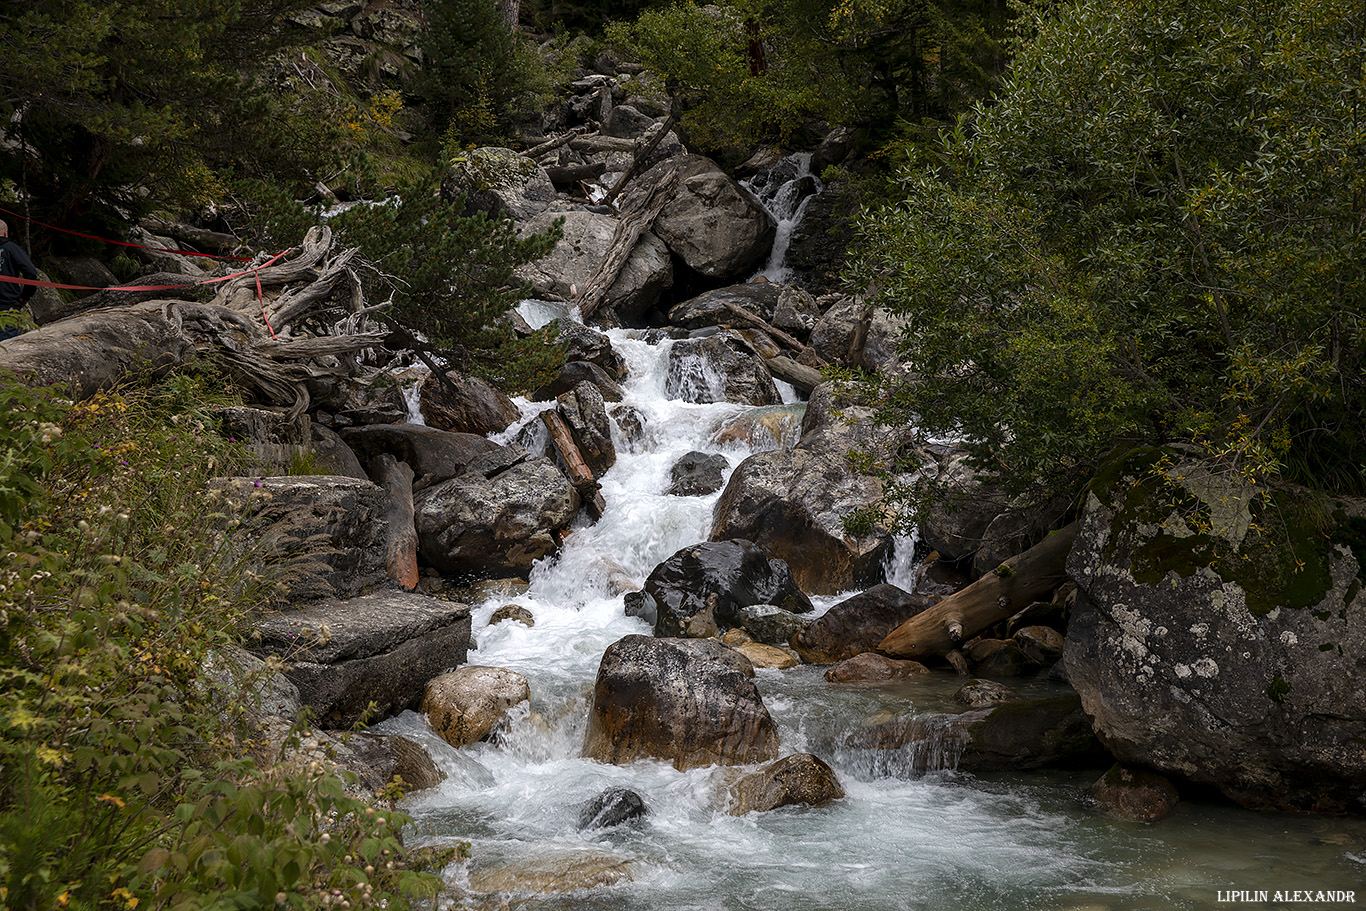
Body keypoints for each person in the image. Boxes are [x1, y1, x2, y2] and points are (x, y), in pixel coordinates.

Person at [0, 218, 37, 341]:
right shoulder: (11, 249)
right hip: (7, 305)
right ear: (5, 233)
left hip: (7, 304)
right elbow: (31, 272)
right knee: (7, 348)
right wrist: (25, 296)